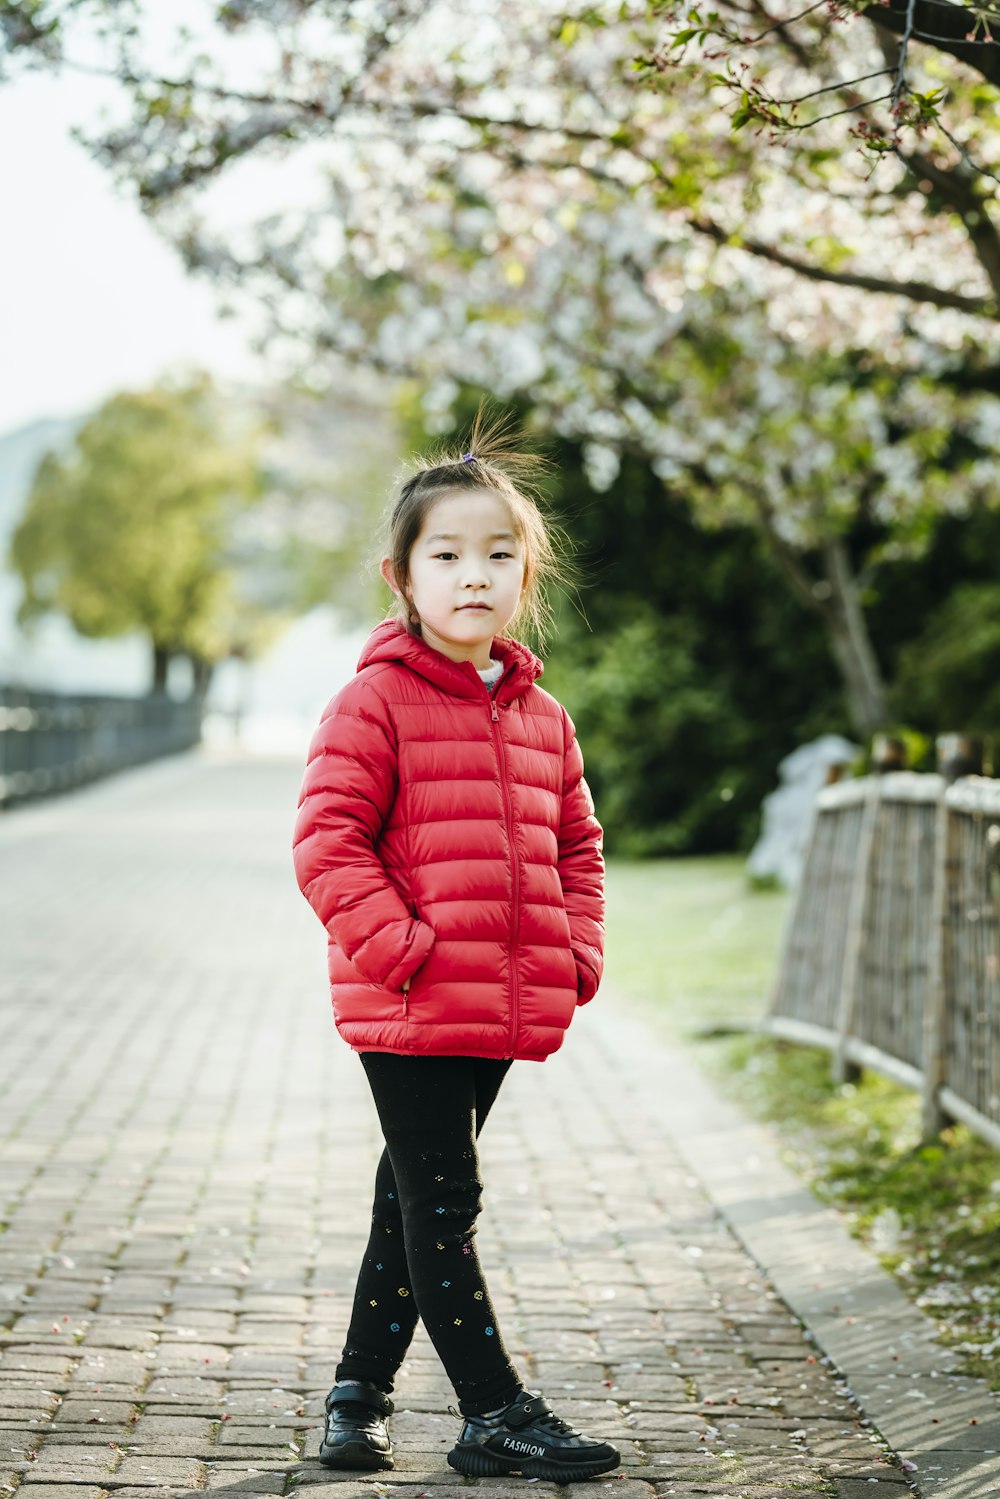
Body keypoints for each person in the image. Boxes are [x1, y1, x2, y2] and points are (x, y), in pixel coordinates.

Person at [292, 410, 620, 1484]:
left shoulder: (543, 717)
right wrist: (405, 948)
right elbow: (327, 843)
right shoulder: (372, 701)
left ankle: (357, 1391)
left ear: (525, 574)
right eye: (447, 553)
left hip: (498, 1001)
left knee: (411, 1194)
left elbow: (578, 841)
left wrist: (574, 951)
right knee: (443, 1200)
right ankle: (493, 1410)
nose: (472, 573)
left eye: (497, 554)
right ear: (402, 573)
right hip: (416, 996)